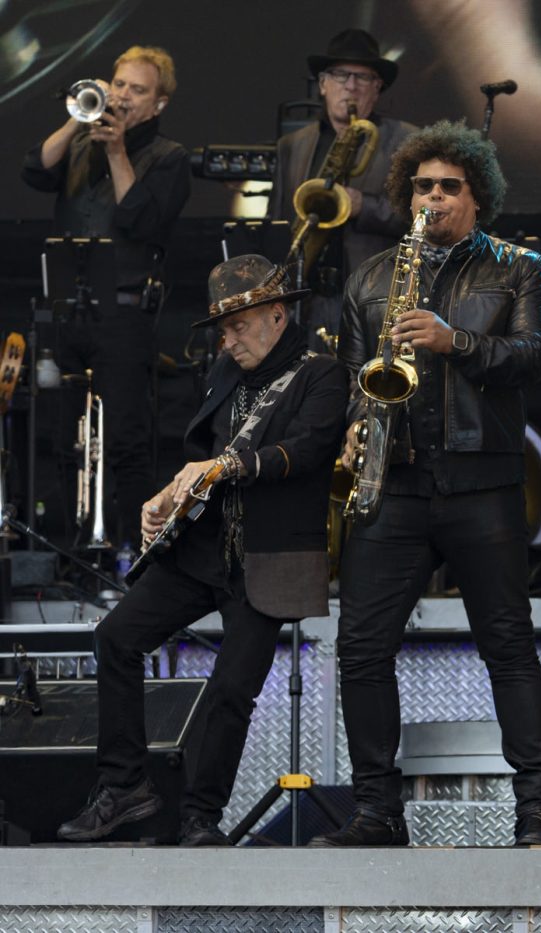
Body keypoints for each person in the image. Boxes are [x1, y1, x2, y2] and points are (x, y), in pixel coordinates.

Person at [314, 120, 541, 847]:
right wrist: (358, 424)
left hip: (482, 482)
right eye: (422, 186)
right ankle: (376, 812)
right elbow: (360, 378)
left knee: (508, 644)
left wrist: (456, 341)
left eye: (449, 187)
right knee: (360, 649)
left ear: (477, 196)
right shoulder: (370, 277)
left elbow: (535, 356)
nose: (434, 198)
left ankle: (538, 811)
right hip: (395, 481)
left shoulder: (520, 267)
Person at [56, 255, 348, 846]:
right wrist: (166, 495)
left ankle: (200, 818)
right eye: (223, 327)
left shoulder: (323, 373)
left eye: (239, 324)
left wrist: (223, 466)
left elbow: (309, 452)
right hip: (203, 549)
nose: (228, 337)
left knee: (231, 691)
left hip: (271, 559)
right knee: (116, 637)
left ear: (274, 314)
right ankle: (125, 787)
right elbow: (207, 452)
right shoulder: (222, 371)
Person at [21, 45, 191, 549]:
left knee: (126, 443)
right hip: (66, 311)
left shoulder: (169, 156)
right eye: (118, 85)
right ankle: (67, 552)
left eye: (137, 90)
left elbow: (140, 220)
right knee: (61, 437)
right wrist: (78, 117)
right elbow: (34, 169)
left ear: (158, 104)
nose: (122, 96)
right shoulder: (81, 141)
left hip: (123, 315)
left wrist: (117, 151)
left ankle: (130, 553)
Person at [269, 28, 417, 345]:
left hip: (373, 300)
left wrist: (364, 206)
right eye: (340, 75)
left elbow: (422, 218)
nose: (350, 86)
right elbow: (278, 221)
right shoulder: (292, 145)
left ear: (377, 89)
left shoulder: (407, 141)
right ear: (322, 84)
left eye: (363, 78)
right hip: (304, 300)